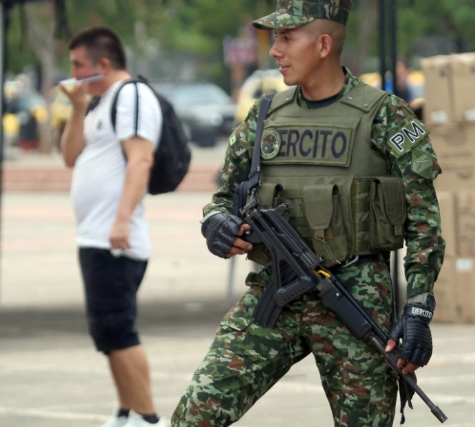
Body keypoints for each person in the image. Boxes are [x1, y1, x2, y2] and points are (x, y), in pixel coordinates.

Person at [171, 1, 444, 426]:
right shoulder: (265, 116)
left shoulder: (385, 115)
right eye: (275, 39)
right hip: (274, 292)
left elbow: (424, 221)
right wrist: (218, 225)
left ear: (322, 44)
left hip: (355, 296)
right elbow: (222, 197)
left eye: (285, 38)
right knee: (195, 416)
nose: (275, 51)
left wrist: (419, 308)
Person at [59, 26, 167, 427]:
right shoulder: (98, 104)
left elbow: (140, 160)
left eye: (78, 64)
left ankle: (149, 418)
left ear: (102, 64)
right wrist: (75, 108)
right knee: (105, 332)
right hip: (94, 236)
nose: (71, 72)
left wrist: (121, 220)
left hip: (117, 239)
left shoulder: (132, 96)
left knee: (118, 328)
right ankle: (126, 413)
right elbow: (71, 157)